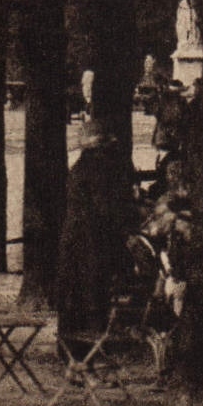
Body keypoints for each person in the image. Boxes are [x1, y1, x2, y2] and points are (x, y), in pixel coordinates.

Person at [54, 123, 140, 338]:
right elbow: (106, 208)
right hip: (89, 238)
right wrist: (131, 218)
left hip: (77, 236)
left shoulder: (81, 166)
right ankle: (91, 344)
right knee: (91, 288)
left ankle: (74, 344)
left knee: (78, 290)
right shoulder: (97, 170)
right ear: (99, 148)